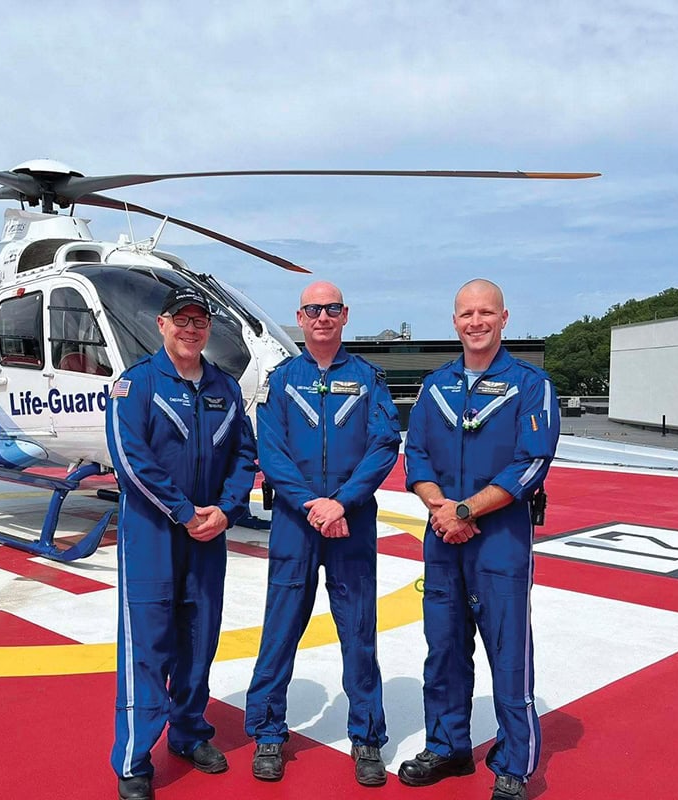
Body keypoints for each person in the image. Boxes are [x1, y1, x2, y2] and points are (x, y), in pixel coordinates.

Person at [398, 279, 560, 800]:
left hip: (500, 540)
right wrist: (441, 509)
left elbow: (530, 461)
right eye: (466, 313)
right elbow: (415, 454)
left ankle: (515, 763)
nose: (476, 322)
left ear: (504, 318)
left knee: (508, 652)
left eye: (486, 312)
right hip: (442, 535)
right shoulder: (435, 385)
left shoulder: (531, 385)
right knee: (443, 649)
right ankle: (447, 746)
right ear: (454, 321)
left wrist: (465, 510)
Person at [243, 280, 401, 787]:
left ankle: (367, 737)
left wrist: (342, 501)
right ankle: (268, 732)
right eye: (313, 310)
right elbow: (270, 451)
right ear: (301, 316)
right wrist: (314, 504)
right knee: (280, 629)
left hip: (351, 522)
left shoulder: (369, 379)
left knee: (359, 632)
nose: (322, 317)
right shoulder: (280, 380)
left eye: (332, 309)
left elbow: (383, 446)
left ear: (345, 315)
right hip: (296, 522)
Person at [106, 285, 257, 800]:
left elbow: (243, 456)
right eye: (182, 320)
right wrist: (185, 511)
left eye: (200, 321)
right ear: (162, 325)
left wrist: (226, 509)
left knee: (199, 639)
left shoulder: (225, 389)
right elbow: (131, 461)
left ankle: (189, 733)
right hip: (152, 535)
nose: (191, 329)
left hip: (208, 536)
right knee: (147, 646)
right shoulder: (136, 385)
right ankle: (134, 759)